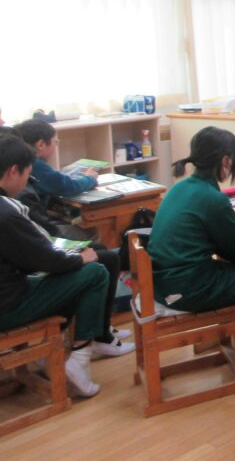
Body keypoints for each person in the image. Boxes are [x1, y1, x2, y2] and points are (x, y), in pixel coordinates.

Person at [13, 119, 135, 358]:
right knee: (104, 259)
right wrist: (77, 256)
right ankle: (94, 336)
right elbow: (44, 239)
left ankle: (99, 329)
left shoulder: (21, 182)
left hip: (39, 245)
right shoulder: (18, 195)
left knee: (100, 252)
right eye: (55, 141)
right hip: (37, 256)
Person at [0, 135, 109, 397]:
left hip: (8, 290)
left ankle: (49, 354)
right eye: (27, 174)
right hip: (7, 305)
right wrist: (79, 258)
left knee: (63, 278)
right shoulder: (6, 213)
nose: (27, 181)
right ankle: (79, 360)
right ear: (13, 171)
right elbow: (46, 260)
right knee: (95, 273)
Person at [147, 126, 235, 312]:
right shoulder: (212, 198)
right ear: (226, 161)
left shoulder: (178, 188)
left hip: (162, 283)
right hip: (187, 288)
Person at [14, 117, 98, 208]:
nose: (56, 146)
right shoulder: (36, 165)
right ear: (41, 145)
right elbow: (68, 187)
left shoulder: (18, 158)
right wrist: (90, 178)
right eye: (55, 142)